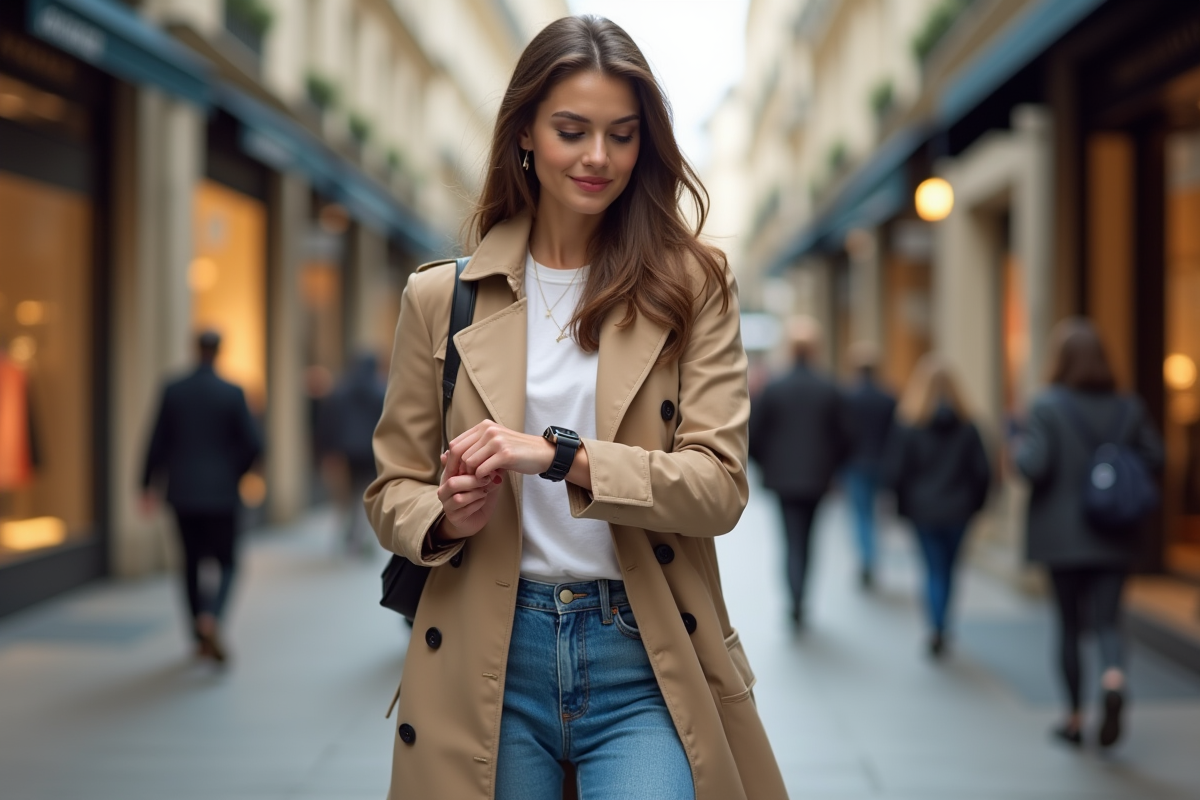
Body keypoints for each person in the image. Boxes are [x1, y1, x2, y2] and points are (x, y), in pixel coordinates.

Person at [364, 16, 786, 800]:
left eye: (622, 135)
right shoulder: (440, 297)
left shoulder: (693, 288)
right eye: (572, 130)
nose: (599, 157)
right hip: (488, 654)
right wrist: (446, 516)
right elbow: (391, 490)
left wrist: (561, 456)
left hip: (644, 651)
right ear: (525, 131)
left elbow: (720, 487)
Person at [1014, 318, 1163, 749]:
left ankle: (1075, 719)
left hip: (1061, 538)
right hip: (1115, 532)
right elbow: (1156, 456)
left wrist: (1017, 448)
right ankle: (1113, 679)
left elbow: (1034, 467)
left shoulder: (1046, 406)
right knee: (1108, 621)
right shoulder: (1128, 407)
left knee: (1068, 625)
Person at [141, 330, 262, 664]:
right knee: (227, 562)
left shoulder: (173, 389)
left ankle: (198, 633)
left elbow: (155, 441)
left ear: (195, 349)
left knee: (190, 563)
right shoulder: (233, 392)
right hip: (222, 495)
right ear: (220, 351)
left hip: (182, 493)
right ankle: (213, 617)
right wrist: (235, 472)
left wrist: (145, 486)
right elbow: (254, 444)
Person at [881, 355, 990, 658]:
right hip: (959, 510)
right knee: (949, 570)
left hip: (923, 510)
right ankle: (943, 625)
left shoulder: (909, 425)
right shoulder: (969, 427)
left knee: (932, 569)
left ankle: (936, 626)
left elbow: (895, 472)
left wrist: (901, 506)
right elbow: (983, 472)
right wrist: (976, 505)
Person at [748, 316, 848, 628]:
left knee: (791, 539)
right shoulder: (828, 387)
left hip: (783, 479)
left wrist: (765, 464)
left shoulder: (775, 388)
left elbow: (755, 434)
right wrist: (832, 467)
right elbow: (845, 436)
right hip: (817, 478)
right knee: (808, 540)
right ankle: (801, 596)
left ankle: (794, 597)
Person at [317, 351, 386, 555]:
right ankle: (360, 536)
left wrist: (325, 450)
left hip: (344, 453)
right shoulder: (380, 391)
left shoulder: (340, 391)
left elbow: (327, 424)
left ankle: (349, 534)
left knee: (346, 496)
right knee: (368, 494)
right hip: (371, 452)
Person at [840, 343, 897, 589]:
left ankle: (867, 559)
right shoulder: (888, 398)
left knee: (861, 514)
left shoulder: (849, 398)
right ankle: (871, 557)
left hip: (855, 464)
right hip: (881, 463)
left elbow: (841, 434)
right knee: (875, 514)